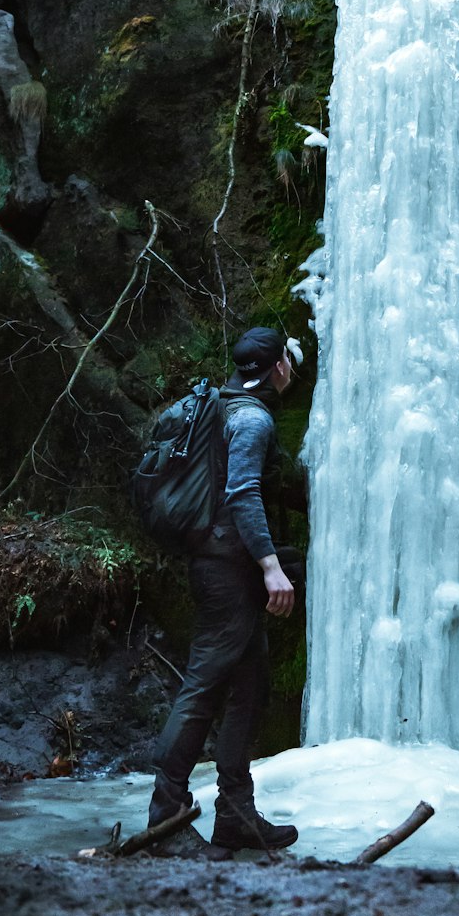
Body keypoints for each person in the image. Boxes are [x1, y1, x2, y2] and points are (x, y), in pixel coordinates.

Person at [147, 326, 301, 858]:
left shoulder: (223, 406)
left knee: (250, 686)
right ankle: (165, 817)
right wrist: (270, 567)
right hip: (226, 572)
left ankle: (235, 815)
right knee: (204, 688)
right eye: (289, 357)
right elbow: (242, 492)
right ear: (278, 365)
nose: (292, 367)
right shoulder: (253, 419)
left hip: (221, 565)